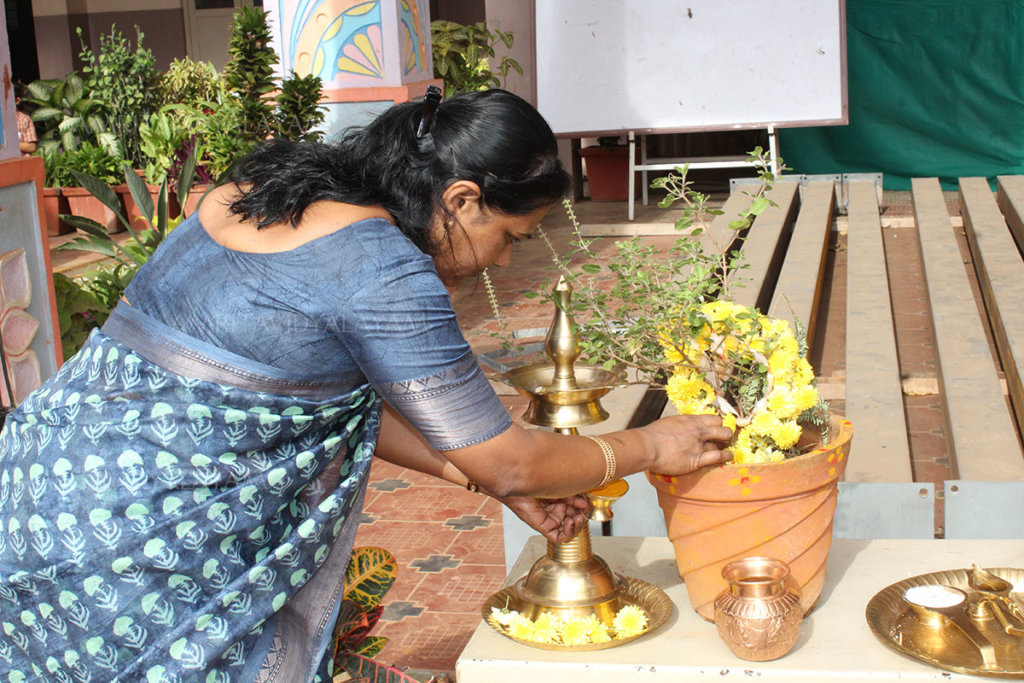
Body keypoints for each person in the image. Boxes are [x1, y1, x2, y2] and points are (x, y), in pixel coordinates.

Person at [0, 88, 733, 681]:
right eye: (511, 236)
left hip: (36, 495)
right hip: (134, 547)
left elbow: (320, 406)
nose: (505, 265)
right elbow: (508, 453)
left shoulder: (257, 190)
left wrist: (491, 482)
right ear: (463, 199)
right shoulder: (381, 269)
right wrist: (648, 445)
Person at [14, 81, 37, 156]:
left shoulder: (24, 119)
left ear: (17, 101)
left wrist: (9, 145)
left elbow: (32, 147)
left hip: (21, 163)